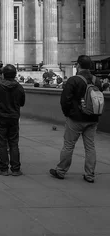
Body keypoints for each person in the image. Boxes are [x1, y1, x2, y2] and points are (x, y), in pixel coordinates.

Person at [50, 55, 103, 183]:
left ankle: (61, 171)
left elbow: (65, 100)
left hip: (76, 118)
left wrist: (68, 113)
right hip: (93, 118)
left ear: (78, 65)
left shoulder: (74, 80)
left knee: (68, 146)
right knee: (90, 147)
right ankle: (90, 175)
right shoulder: (97, 81)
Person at [0, 64, 25, 176]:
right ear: (15, 74)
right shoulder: (19, 87)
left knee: (1, 143)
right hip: (13, 118)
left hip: (0, 118)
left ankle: (3, 168)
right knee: (14, 143)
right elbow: (22, 103)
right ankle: (16, 169)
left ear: (3, 74)